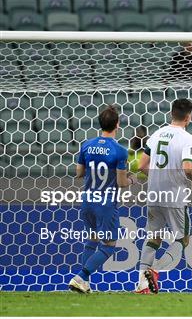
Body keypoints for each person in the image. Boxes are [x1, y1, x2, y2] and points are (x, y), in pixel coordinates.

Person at [135, 99, 192, 294]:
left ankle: (141, 285)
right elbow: (188, 167)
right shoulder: (187, 138)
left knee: (153, 238)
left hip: (153, 193)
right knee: (182, 239)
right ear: (188, 117)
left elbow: (141, 166)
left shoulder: (156, 134)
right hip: (174, 195)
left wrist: (157, 177)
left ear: (171, 114)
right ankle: (156, 270)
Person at [68, 105, 134, 293]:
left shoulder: (86, 145)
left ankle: (84, 283)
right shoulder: (120, 150)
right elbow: (121, 183)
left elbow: (79, 173)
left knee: (92, 240)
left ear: (100, 124)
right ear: (117, 125)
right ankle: (81, 276)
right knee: (109, 245)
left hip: (88, 200)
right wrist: (131, 178)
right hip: (105, 203)